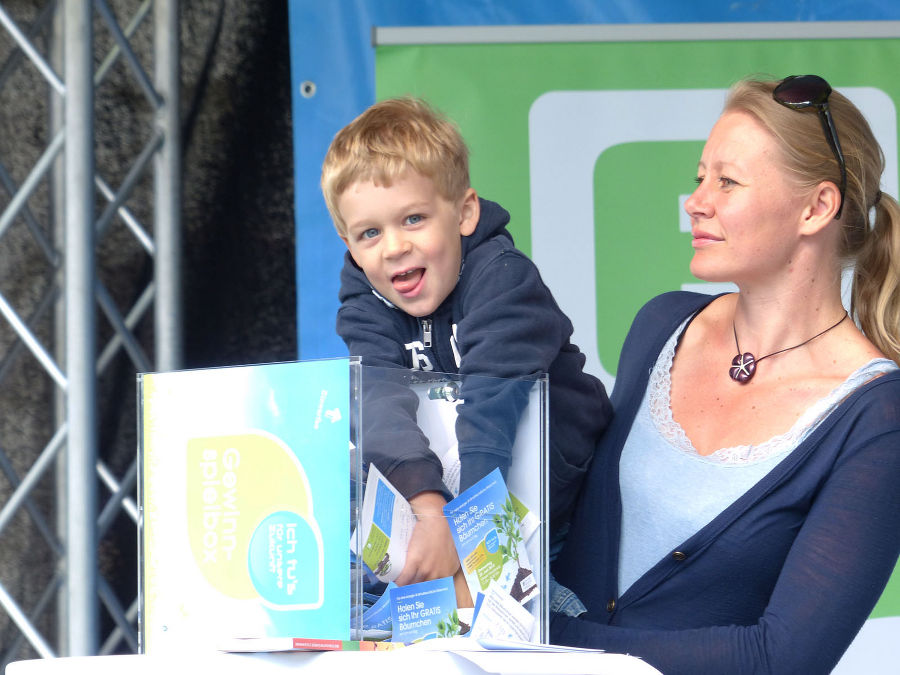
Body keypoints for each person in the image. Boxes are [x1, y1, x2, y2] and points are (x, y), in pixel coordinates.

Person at [550, 75, 900, 674]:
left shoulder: (877, 418)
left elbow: (781, 660)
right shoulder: (661, 323)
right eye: (699, 177)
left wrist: (543, 639)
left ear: (817, 207)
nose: (696, 200)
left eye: (727, 181)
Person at [321, 97, 611, 596]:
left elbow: (492, 410)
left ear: (465, 213)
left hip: (558, 504)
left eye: (413, 219)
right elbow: (375, 400)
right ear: (349, 245)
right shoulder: (365, 296)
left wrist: (462, 530)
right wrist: (429, 510)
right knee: (346, 477)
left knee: (538, 613)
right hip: (447, 492)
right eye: (370, 233)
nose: (393, 247)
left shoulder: (503, 278)